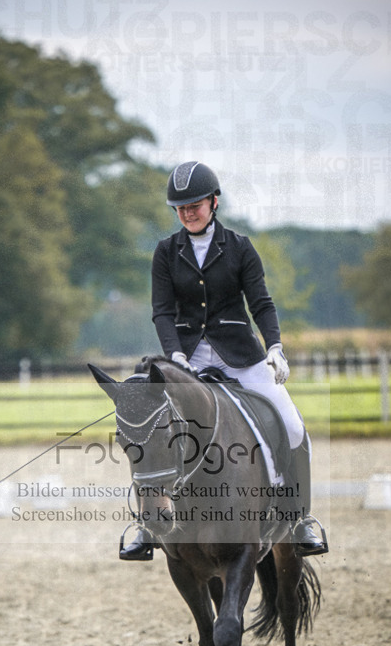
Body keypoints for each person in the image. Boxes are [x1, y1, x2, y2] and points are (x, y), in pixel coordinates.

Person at [120, 160, 328, 560]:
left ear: (214, 202)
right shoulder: (166, 252)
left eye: (194, 204)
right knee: (147, 427)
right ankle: (146, 526)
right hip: (186, 361)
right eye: (180, 208)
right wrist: (176, 354)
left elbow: (261, 304)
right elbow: (162, 311)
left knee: (292, 425)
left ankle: (300, 518)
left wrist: (275, 347)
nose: (187, 213)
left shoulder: (240, 247)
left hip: (242, 358)